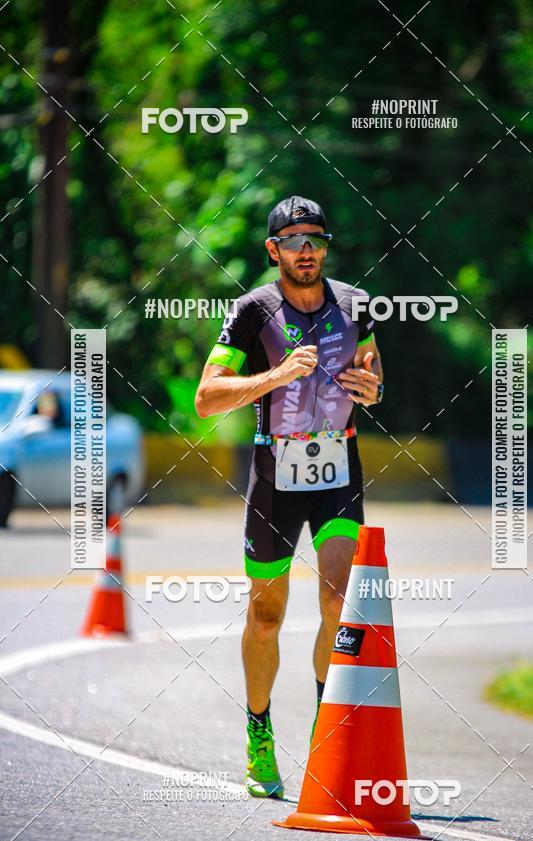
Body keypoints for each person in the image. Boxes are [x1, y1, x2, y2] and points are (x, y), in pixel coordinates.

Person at [195, 196, 383, 798]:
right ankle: (259, 731)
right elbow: (207, 397)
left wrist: (373, 389)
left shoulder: (356, 304)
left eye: (317, 239)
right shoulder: (253, 311)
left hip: (338, 468)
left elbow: (374, 375)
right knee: (267, 613)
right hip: (275, 473)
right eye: (295, 240)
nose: (308, 250)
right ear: (273, 250)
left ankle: (328, 735)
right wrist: (274, 377)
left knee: (337, 604)